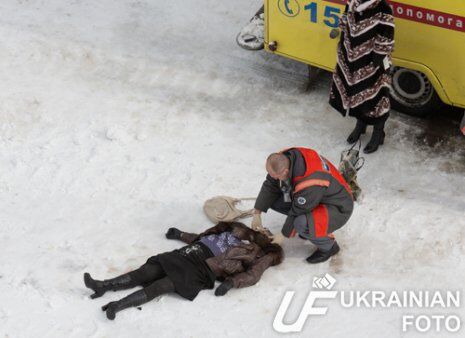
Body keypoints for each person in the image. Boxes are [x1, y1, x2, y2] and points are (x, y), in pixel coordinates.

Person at [83, 222, 283, 320]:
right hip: (189, 253)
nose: (265, 231)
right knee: (147, 272)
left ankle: (117, 306)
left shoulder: (259, 254)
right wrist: (181, 234)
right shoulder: (236, 229)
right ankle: (103, 286)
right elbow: (203, 238)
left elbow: (253, 275)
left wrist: (231, 283)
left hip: (203, 269)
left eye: (269, 234)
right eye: (265, 229)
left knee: (163, 285)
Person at [252, 148, 353, 263]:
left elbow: (298, 211)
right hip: (315, 197)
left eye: (275, 175)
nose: (273, 177)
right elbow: (270, 184)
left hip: (338, 206)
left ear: (285, 172)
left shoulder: (308, 181)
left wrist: (283, 235)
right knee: (273, 200)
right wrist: (257, 212)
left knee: (300, 223)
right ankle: (310, 227)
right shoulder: (286, 158)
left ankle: (329, 247)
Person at [329, 0, 395, 154]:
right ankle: (361, 125)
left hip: (371, 62)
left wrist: (376, 60)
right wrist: (339, 28)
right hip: (350, 60)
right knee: (356, 94)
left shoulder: (383, 8)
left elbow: (387, 35)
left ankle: (379, 133)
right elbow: (346, 18)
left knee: (376, 97)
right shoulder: (351, 2)